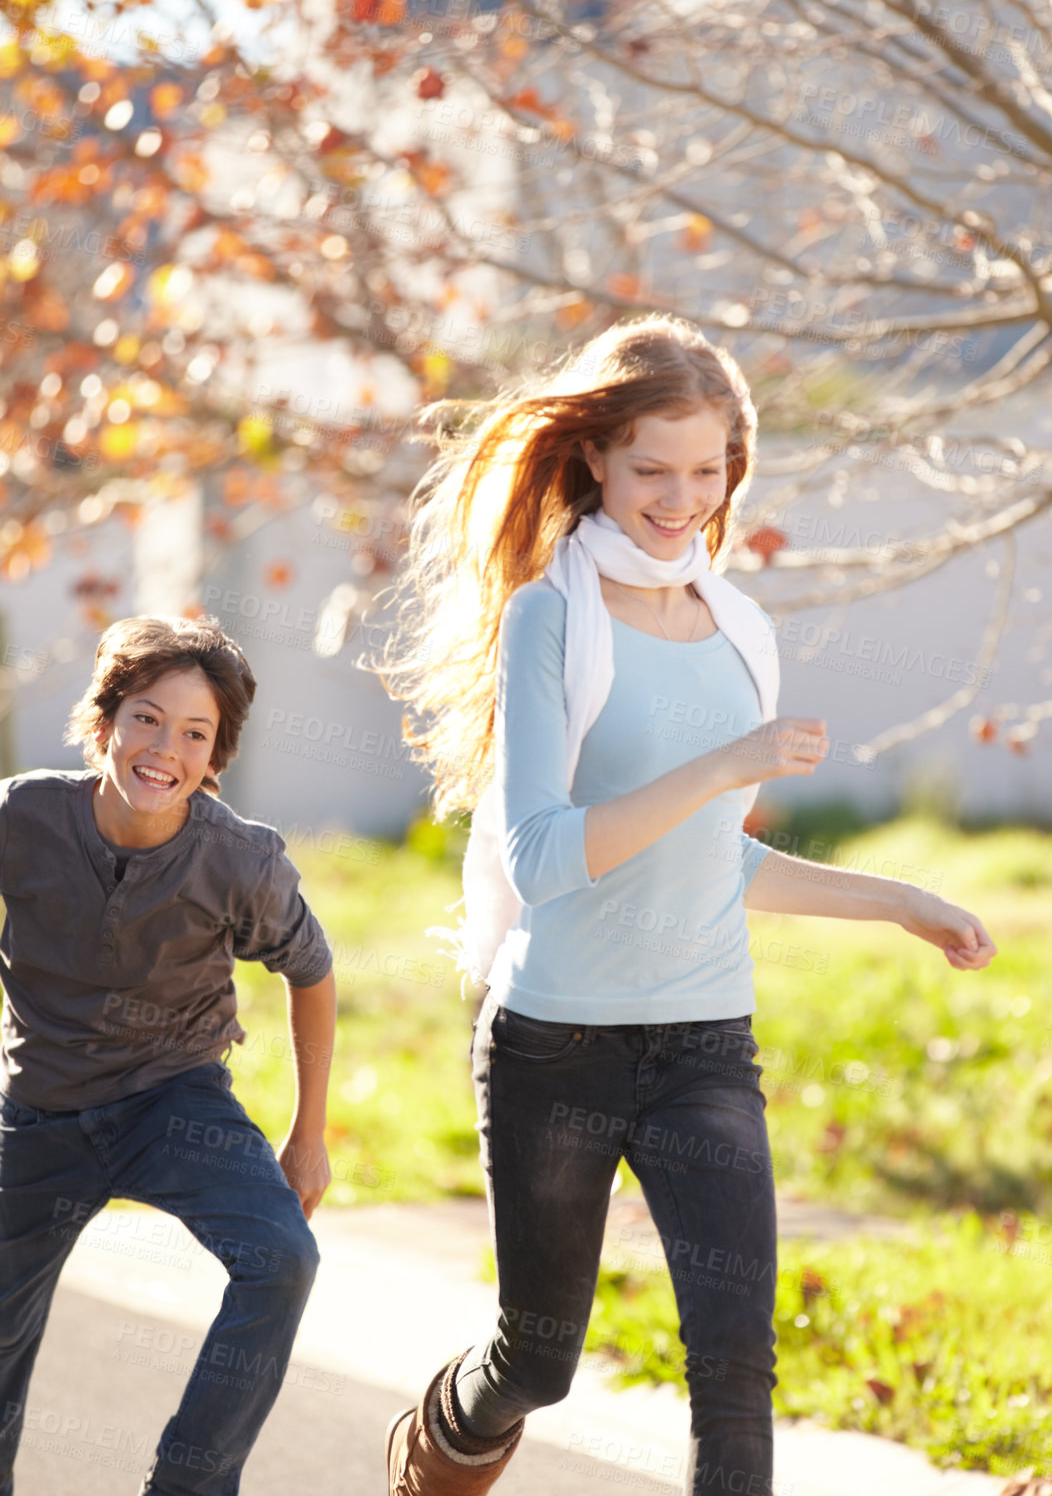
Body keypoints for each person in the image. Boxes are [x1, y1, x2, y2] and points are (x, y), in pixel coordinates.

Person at [378, 314, 997, 1496]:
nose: (679, 497)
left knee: (733, 1370)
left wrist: (899, 899)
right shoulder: (551, 616)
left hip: (705, 1041)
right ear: (596, 460)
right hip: (557, 1046)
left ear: (734, 469)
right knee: (539, 1359)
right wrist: (725, 763)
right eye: (652, 468)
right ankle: (447, 1440)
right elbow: (548, 853)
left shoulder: (739, 629)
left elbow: (713, 861)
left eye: (705, 471)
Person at [0, 615, 336, 1496]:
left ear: (217, 753)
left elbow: (313, 969)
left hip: (173, 1100)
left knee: (283, 1257)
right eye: (147, 718)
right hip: (40, 1108)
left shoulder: (241, 859)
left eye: (196, 733)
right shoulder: (22, 816)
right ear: (104, 718)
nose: (165, 748)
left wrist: (308, 1134)